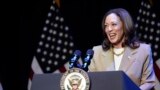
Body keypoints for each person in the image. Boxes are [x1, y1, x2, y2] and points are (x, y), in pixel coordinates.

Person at [88, 8, 156, 90]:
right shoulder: (96, 52)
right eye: (106, 26)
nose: (109, 29)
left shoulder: (143, 50)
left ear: (124, 25)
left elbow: (148, 82)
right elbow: (90, 82)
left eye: (113, 24)